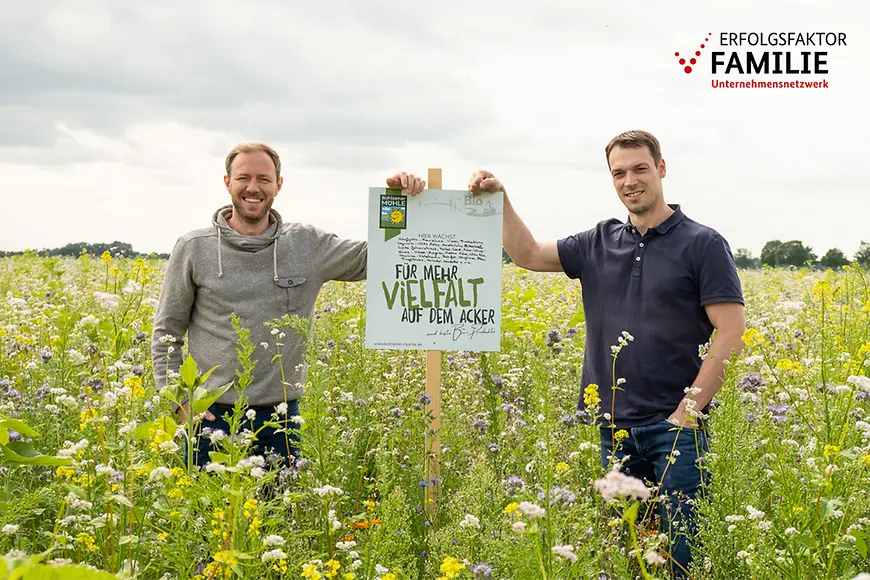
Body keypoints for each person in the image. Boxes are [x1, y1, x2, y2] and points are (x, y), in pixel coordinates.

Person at [468, 130, 745, 578]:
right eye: (619, 173)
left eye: (639, 169)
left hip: (675, 431)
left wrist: (687, 413)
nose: (629, 181)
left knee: (684, 559)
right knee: (626, 557)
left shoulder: (703, 244)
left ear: (661, 168)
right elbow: (527, 254)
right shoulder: (597, 241)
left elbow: (731, 333)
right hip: (612, 430)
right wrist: (501, 200)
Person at [151, 142, 425, 468]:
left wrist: (396, 202)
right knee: (208, 517)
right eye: (243, 178)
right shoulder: (194, 248)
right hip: (211, 418)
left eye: (264, 179)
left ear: (278, 185)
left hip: (280, 419)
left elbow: (377, 257)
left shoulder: (306, 244)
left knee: (279, 517)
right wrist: (181, 402)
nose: (253, 188)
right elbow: (167, 332)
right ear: (227, 182)